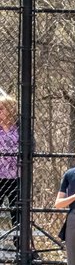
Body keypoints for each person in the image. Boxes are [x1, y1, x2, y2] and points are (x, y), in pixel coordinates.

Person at [0, 94, 17, 236]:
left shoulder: (20, 128)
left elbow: (30, 147)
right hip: (0, 176)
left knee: (17, 212)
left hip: (16, 177)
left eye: (1, 109)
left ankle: (22, 247)